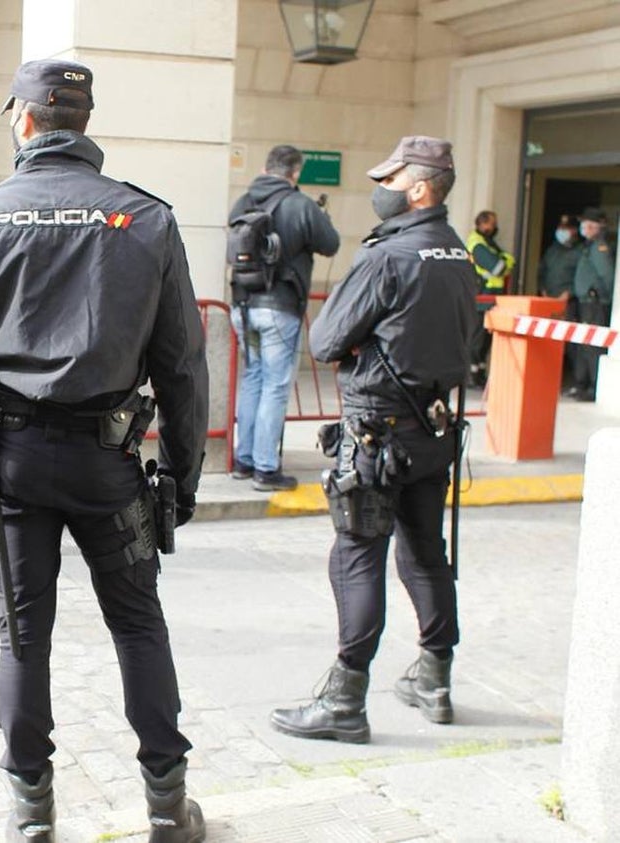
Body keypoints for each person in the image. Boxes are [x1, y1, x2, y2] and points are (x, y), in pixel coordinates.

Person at [0, 59, 208, 843]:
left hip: (8, 464)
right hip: (110, 463)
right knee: (139, 623)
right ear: (84, 120)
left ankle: (32, 815)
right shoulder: (145, 219)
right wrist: (181, 477)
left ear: (23, 119)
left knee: (21, 634)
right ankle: (168, 807)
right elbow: (182, 365)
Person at [269, 136, 478, 743]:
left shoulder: (388, 256)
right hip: (432, 430)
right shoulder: (458, 253)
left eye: (391, 180)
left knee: (358, 556)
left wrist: (365, 340)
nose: (380, 190)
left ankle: (345, 701)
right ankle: (435, 678)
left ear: (420, 189)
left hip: (375, 434)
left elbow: (325, 341)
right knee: (425, 551)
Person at [228, 145, 339, 490]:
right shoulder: (301, 204)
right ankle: (265, 468)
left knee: (253, 378)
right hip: (279, 309)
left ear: (265, 168)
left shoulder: (244, 201)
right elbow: (331, 244)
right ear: (295, 173)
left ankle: (243, 461)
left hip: (243, 307)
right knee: (275, 386)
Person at [568, 207, 616, 402]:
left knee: (593, 346)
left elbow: (607, 275)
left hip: (595, 303)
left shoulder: (599, 247)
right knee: (584, 345)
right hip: (586, 302)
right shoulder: (589, 246)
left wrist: (605, 298)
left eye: (587, 225)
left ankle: (594, 386)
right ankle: (582, 384)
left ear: (596, 227)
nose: (584, 228)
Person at [465, 210, 515, 386]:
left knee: (485, 340)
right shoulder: (477, 244)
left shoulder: (489, 243)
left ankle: (479, 373)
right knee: (477, 339)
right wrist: (504, 262)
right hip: (481, 297)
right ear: (482, 224)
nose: (494, 227)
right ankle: (471, 375)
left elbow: (509, 260)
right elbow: (499, 268)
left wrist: (505, 261)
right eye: (491, 224)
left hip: (491, 298)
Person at [538, 214, 581, 388]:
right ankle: (546, 377)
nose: (562, 232)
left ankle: (576, 380)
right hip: (549, 301)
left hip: (568, 302)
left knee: (571, 344)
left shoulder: (580, 252)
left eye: (566, 229)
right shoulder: (553, 250)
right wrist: (543, 289)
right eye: (561, 228)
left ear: (574, 231)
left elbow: (581, 277)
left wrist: (569, 293)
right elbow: (542, 271)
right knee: (548, 341)